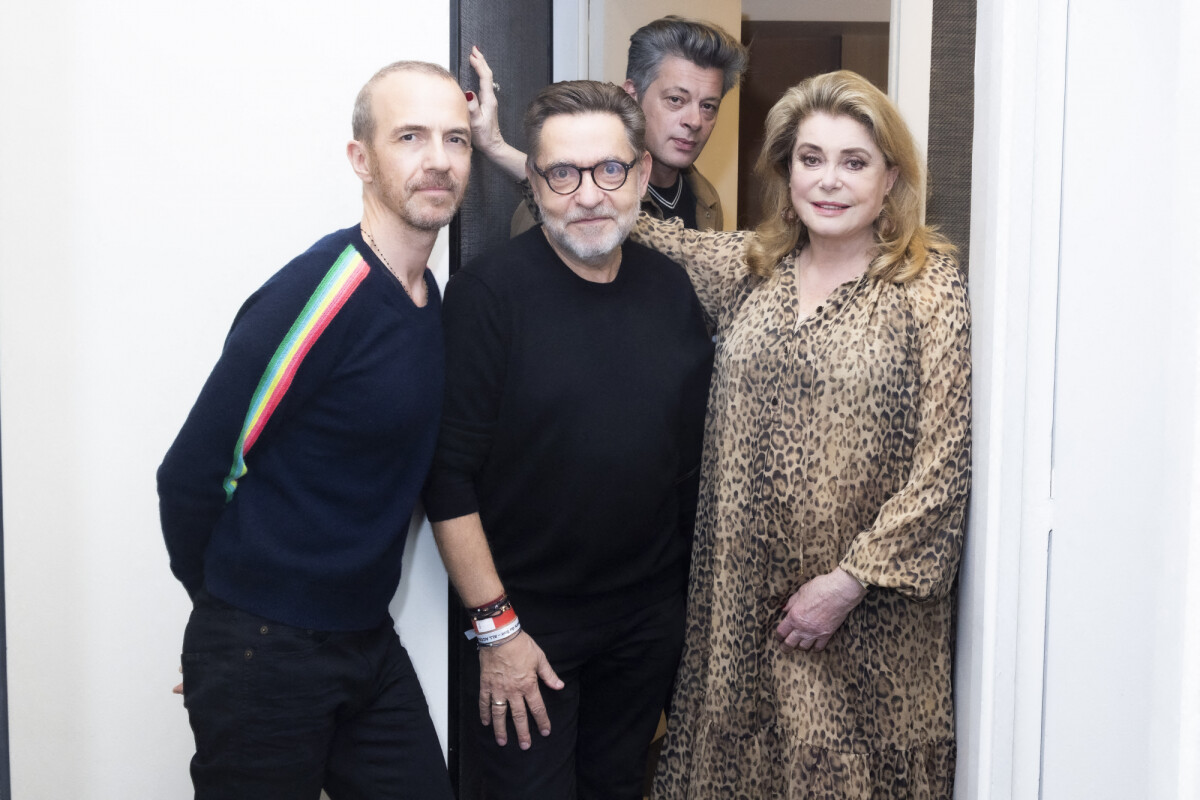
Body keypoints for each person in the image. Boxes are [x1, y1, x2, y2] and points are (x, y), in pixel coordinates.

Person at [629, 70, 972, 799]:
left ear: (891, 179)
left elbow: (945, 464)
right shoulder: (753, 266)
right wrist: (515, 156)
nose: (829, 181)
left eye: (855, 162)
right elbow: (631, 223)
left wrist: (847, 584)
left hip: (864, 619)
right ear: (786, 173)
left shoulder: (926, 285)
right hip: (742, 607)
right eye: (810, 159)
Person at [156, 60, 470, 799]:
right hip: (265, 645)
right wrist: (226, 617)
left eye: (454, 140)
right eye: (410, 136)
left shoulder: (432, 302)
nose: (437, 159)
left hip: (364, 640)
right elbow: (193, 471)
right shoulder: (324, 291)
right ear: (361, 158)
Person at [423, 80, 713, 800]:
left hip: (645, 623)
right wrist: (498, 632)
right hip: (528, 627)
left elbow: (686, 471)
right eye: (563, 174)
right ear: (535, 181)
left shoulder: (672, 289)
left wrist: (680, 616)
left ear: (641, 175)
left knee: (616, 786)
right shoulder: (489, 296)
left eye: (609, 170)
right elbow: (446, 478)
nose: (589, 195)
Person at [467, 15, 748, 234]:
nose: (695, 121)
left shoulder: (706, 199)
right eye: (676, 99)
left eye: (708, 106)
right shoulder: (572, 198)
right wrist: (495, 147)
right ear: (632, 94)